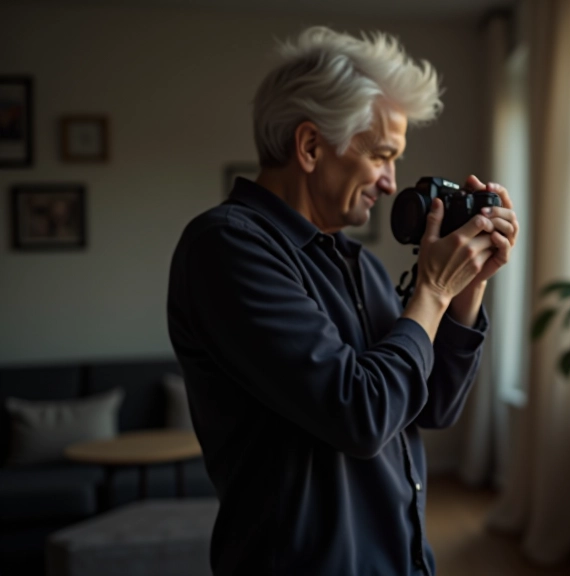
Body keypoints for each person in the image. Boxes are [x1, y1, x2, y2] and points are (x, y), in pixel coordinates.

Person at [166, 27, 518, 575]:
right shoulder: (227, 246)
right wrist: (430, 291)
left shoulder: (361, 265)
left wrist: (469, 283)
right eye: (381, 155)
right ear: (309, 147)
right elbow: (359, 414)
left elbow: (436, 403)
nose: (389, 183)